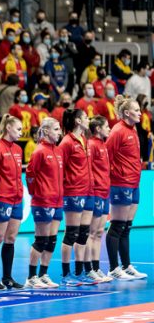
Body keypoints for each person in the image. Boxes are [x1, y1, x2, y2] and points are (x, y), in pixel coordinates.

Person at [105, 96, 146, 280]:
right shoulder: (118, 131)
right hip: (121, 184)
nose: (140, 113)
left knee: (127, 227)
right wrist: (115, 175)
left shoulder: (133, 129)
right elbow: (106, 156)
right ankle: (114, 268)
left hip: (134, 183)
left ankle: (126, 266)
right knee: (117, 226)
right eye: (137, 110)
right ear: (127, 113)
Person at [0, 114, 24, 290]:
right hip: (1, 200)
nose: (21, 132)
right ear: (8, 128)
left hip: (17, 200)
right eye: (18, 129)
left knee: (11, 238)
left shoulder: (18, 149)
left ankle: (7, 278)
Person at [58, 109, 97, 286]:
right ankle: (66, 275)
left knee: (83, 233)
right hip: (73, 192)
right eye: (86, 117)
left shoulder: (84, 139)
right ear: (78, 121)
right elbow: (60, 169)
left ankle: (79, 272)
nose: (89, 120)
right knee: (71, 233)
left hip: (88, 191)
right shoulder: (66, 142)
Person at [25, 117, 64, 289]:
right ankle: (31, 276)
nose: (59, 132)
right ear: (46, 131)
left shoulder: (58, 151)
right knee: (41, 240)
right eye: (56, 129)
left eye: (59, 129)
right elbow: (30, 175)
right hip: (43, 201)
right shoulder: (39, 151)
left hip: (57, 201)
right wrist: (37, 193)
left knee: (52, 240)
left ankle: (43, 274)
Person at [86, 116, 114, 283]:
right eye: (106, 126)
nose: (109, 128)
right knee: (91, 232)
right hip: (96, 192)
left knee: (99, 232)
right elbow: (88, 169)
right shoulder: (92, 145)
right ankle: (89, 269)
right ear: (98, 128)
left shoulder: (103, 144)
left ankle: (96, 268)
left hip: (105, 191)